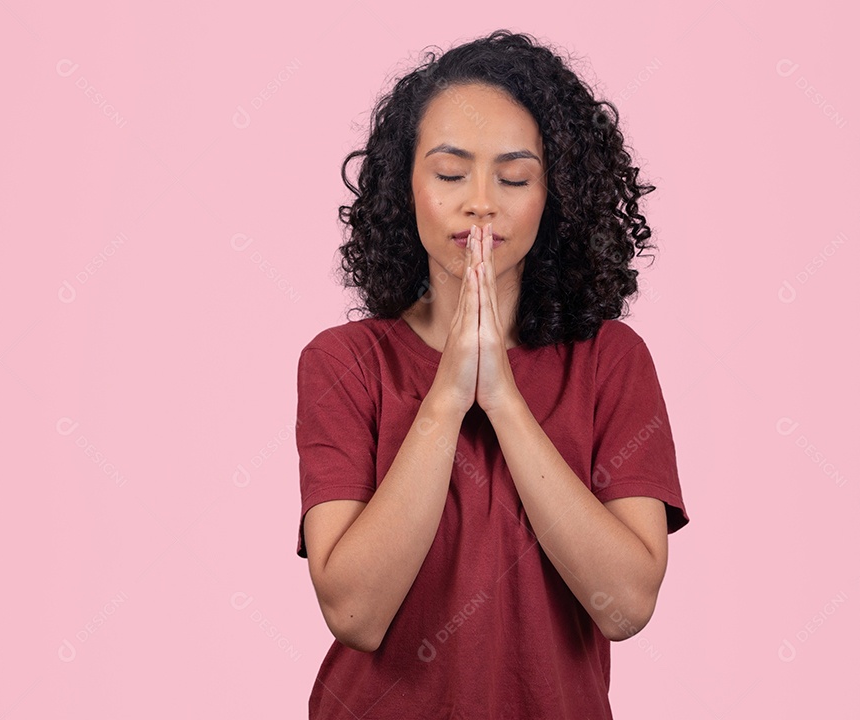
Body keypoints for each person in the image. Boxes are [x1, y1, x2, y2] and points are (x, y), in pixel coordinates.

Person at [294, 29, 689, 719]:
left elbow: (625, 605)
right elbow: (354, 612)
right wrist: (448, 395)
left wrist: (502, 398)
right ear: (405, 186)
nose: (481, 201)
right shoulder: (342, 363)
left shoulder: (612, 361)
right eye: (450, 173)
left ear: (553, 196)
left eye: (514, 177)